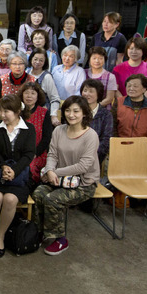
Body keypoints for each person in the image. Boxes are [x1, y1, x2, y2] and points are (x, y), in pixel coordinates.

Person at [32, 95, 100, 256]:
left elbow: (84, 166)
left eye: (76, 111)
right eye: (68, 110)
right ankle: (41, 232)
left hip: (84, 183)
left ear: (84, 113)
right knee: (38, 193)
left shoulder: (91, 136)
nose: (71, 114)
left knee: (53, 198)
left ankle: (59, 239)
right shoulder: (59, 130)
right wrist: (49, 170)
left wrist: (53, 173)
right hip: (58, 177)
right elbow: (52, 154)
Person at [0, 94, 36, 258]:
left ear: (18, 111)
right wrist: (4, 166)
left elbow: (28, 155)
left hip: (19, 177)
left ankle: (1, 235)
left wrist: (14, 171)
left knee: (10, 199)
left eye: (6, 112)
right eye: (1, 111)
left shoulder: (29, 129)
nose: (2, 115)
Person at [111, 74, 147, 182]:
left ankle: (145, 198)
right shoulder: (118, 102)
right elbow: (112, 127)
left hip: (144, 147)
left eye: (135, 86)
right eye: (129, 86)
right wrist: (118, 147)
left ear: (144, 88)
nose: (131, 88)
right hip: (122, 145)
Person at [19, 82, 53, 185]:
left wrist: (34, 154)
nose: (29, 96)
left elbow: (47, 138)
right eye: (26, 93)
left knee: (29, 166)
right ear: (22, 95)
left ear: (38, 96)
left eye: (33, 93)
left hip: (38, 153)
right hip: (18, 152)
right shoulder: (17, 111)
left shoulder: (44, 113)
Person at [26, 47, 61, 125]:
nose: (37, 62)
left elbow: (55, 98)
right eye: (35, 59)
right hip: (26, 113)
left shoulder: (47, 77)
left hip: (42, 114)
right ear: (31, 59)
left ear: (45, 62)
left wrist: (53, 115)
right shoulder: (26, 73)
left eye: (41, 60)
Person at [80, 79, 112, 164]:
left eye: (91, 91)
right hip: (75, 154)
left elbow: (106, 140)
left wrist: (91, 154)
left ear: (99, 94)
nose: (87, 94)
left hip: (96, 155)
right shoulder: (75, 111)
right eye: (85, 90)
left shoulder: (106, 115)